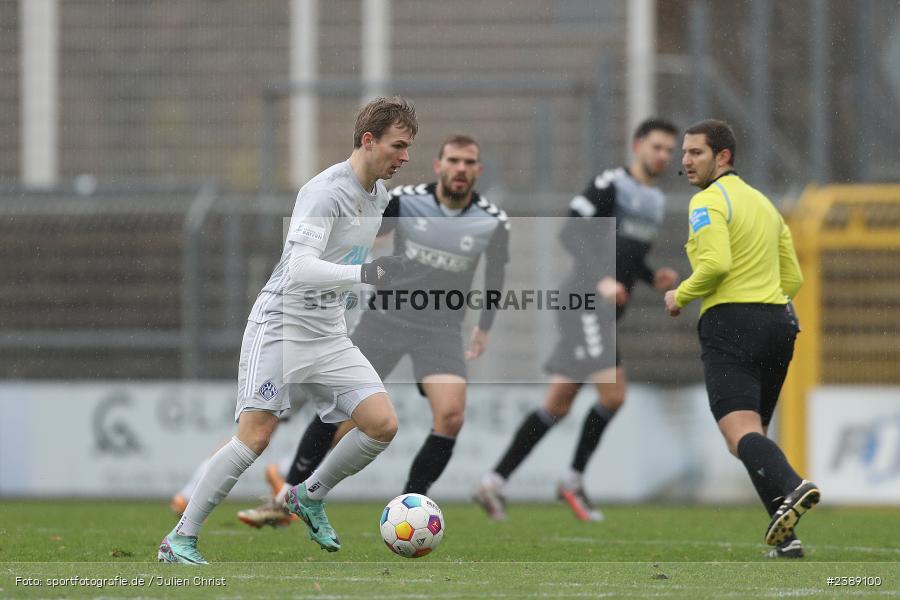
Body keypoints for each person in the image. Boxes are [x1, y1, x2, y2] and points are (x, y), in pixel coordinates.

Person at [157, 96, 418, 564]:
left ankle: (307, 495)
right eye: (398, 146)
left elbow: (344, 261)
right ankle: (180, 538)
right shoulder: (324, 192)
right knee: (255, 437)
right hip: (282, 326)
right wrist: (367, 276)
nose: (405, 157)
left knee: (381, 424)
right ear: (368, 140)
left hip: (329, 334)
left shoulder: (377, 197)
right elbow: (299, 269)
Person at [235, 134, 511, 528]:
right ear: (439, 165)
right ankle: (286, 498)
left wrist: (484, 327)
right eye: (453, 160)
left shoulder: (492, 221)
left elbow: (497, 274)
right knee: (340, 412)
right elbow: (358, 234)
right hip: (387, 317)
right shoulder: (406, 200)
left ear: (478, 170)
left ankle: (411, 508)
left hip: (441, 328)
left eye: (469, 163)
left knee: (450, 415)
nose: (460, 169)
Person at [474, 118, 679, 522]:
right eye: (657, 147)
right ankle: (572, 479)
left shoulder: (653, 201)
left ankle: (492, 482)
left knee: (558, 403)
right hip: (584, 301)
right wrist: (601, 279)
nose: (664, 156)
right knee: (613, 395)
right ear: (638, 146)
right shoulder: (610, 184)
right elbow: (571, 232)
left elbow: (628, 253)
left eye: (669, 150)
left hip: (603, 308)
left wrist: (651, 276)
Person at [664, 119, 818, 558]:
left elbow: (715, 265)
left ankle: (794, 485)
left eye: (696, 153)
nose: (686, 161)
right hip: (780, 324)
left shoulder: (707, 202)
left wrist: (680, 295)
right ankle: (786, 539)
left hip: (731, 324)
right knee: (751, 439)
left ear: (723, 157)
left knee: (739, 434)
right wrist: (765, 303)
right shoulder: (765, 205)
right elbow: (794, 277)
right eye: (684, 153)